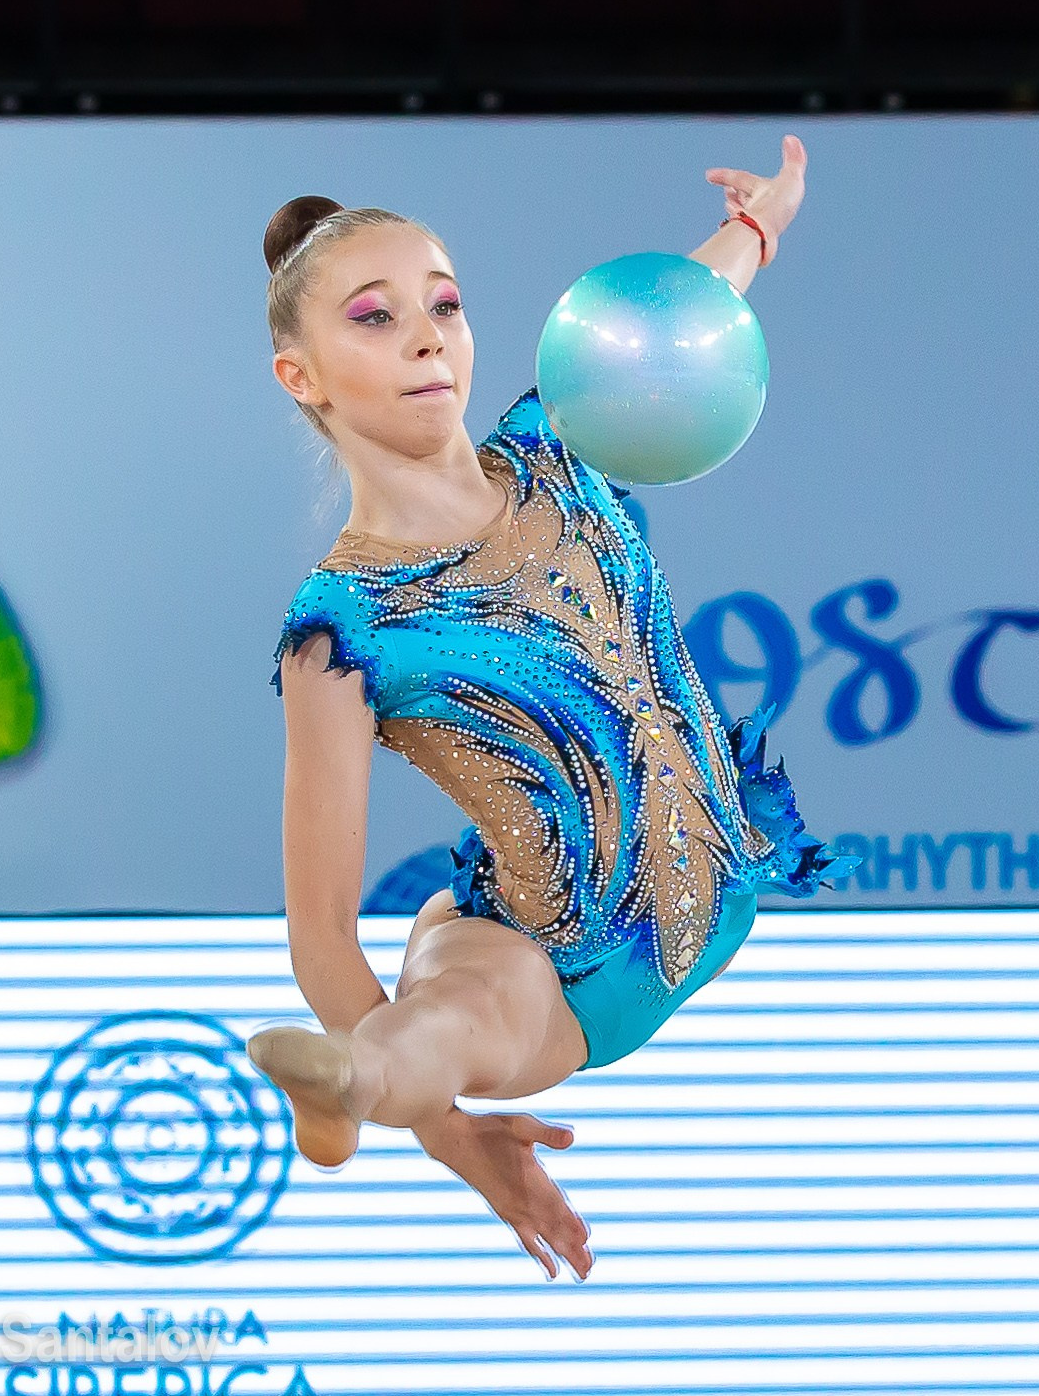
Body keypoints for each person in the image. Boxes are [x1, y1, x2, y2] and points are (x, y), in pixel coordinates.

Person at [248, 133, 855, 1282]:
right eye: (375, 318)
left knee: (458, 992)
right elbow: (322, 931)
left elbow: (682, 310)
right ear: (303, 376)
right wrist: (454, 1139)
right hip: (569, 965)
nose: (429, 332)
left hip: (713, 878)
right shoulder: (340, 623)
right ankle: (359, 1085)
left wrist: (764, 220)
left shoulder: (556, 444)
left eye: (446, 301)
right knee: (463, 1001)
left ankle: (378, 1073)